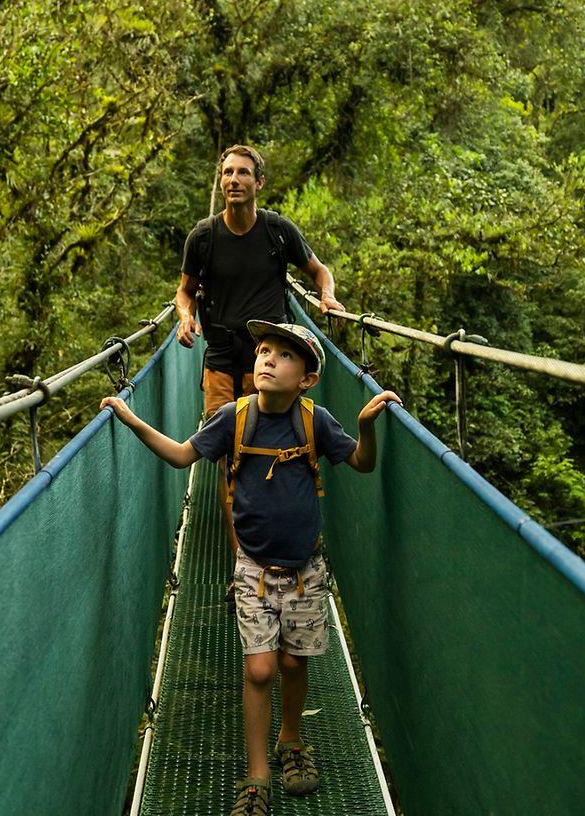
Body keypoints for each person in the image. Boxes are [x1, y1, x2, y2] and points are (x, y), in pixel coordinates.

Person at [102, 321, 398, 816]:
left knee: (292, 663)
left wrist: (366, 424)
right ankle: (258, 774)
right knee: (260, 668)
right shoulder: (231, 418)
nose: (267, 359)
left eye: (284, 355)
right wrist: (131, 419)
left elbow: (363, 465)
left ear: (306, 378)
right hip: (252, 569)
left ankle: (292, 739)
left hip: (305, 569)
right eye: (263, 351)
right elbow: (181, 456)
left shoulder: (315, 421)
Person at [175, 144, 346, 551]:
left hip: (269, 357)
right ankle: (241, 560)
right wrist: (186, 317)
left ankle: (270, 539)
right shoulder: (203, 237)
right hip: (219, 357)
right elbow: (185, 292)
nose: (234, 180)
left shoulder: (277, 231)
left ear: (259, 183)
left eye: (243, 173)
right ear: (221, 181)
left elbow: (319, 271)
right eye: (228, 173)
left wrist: (328, 296)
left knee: (264, 451)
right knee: (225, 456)